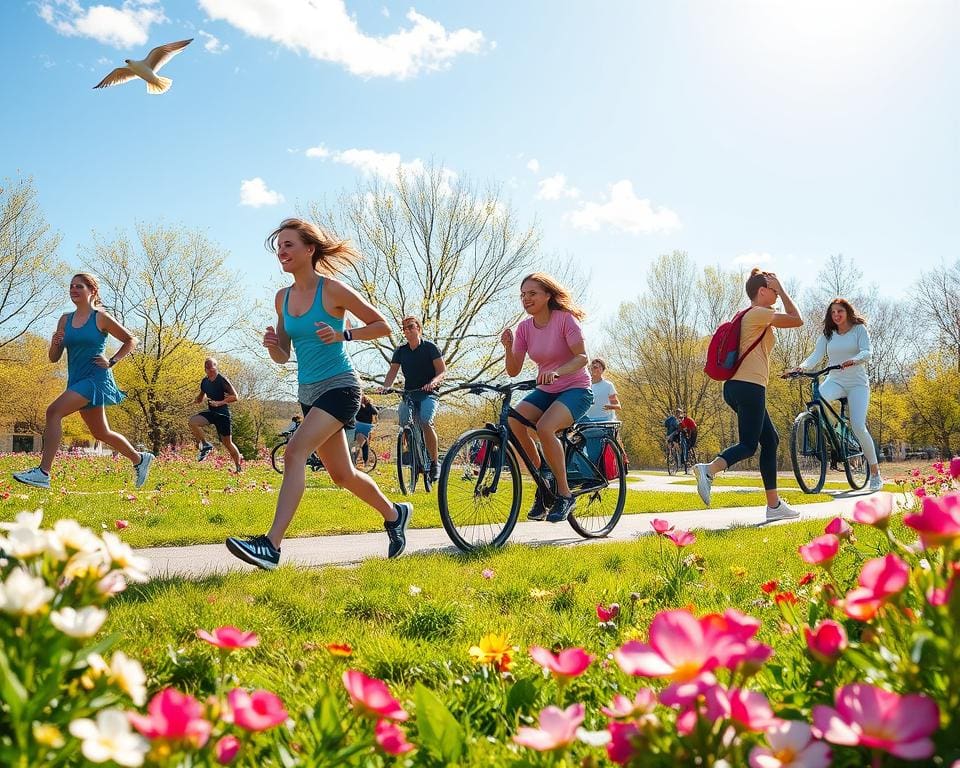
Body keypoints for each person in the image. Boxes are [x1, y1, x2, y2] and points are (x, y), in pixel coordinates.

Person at [225, 218, 412, 570]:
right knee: (342, 475)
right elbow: (283, 355)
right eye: (279, 246)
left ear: (310, 249)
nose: (282, 251)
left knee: (295, 452)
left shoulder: (332, 291)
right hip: (308, 392)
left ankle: (271, 546)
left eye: (289, 245)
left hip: (341, 387)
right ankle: (394, 513)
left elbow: (382, 325)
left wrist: (344, 336)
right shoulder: (282, 298)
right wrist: (271, 346)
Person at [13, 273, 154, 490]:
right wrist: (54, 343)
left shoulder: (100, 318)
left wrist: (112, 360)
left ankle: (43, 473)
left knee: (53, 412)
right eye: (71, 286)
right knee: (100, 433)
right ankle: (139, 459)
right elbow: (54, 357)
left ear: (92, 291)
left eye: (79, 286)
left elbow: (130, 339)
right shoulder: (64, 320)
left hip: (96, 378)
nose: (73, 290)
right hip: (77, 380)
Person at [693, 269, 804, 521]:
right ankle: (709, 470)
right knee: (748, 445)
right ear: (761, 292)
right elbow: (797, 319)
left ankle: (774, 506)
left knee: (771, 440)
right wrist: (784, 289)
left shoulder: (747, 315)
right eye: (773, 289)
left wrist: (778, 286)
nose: (776, 293)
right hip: (749, 386)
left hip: (737, 387)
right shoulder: (758, 313)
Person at [501, 272, 593, 523]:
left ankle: (564, 495)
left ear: (548, 296)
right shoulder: (524, 328)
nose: (526, 299)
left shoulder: (565, 319)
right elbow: (513, 370)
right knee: (514, 420)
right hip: (547, 390)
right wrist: (508, 347)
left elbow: (582, 357)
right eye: (523, 295)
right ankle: (543, 481)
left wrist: (557, 372)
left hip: (576, 389)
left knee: (545, 428)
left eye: (532, 293)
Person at [792, 298, 883, 491]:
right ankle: (836, 434)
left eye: (840, 311)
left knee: (858, 426)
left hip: (857, 383)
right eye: (833, 313)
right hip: (835, 380)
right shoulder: (828, 334)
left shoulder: (859, 329)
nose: (836, 316)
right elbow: (815, 356)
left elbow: (867, 352)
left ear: (847, 312)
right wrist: (801, 367)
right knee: (816, 402)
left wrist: (854, 360)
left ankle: (875, 472)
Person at [379, 316, 446, 482]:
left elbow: (442, 371)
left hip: (429, 393)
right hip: (409, 393)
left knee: (425, 421)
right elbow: (392, 372)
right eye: (404, 328)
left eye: (411, 327)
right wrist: (386, 387)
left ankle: (434, 462)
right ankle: (415, 458)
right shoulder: (401, 351)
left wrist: (433, 383)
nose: (407, 330)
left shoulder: (430, 347)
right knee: (403, 421)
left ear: (419, 329)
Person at [189, 357, 243, 472]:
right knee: (193, 422)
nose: (210, 370)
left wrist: (220, 403)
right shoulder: (204, 382)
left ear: (216, 367)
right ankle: (205, 445)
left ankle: (238, 468)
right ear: (205, 369)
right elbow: (201, 396)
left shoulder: (222, 380)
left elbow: (235, 397)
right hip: (212, 412)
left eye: (212, 368)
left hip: (223, 415)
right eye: (208, 368)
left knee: (227, 443)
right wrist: (196, 400)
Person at [354, 394, 379, 466]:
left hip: (360, 427)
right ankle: (364, 462)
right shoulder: (366, 406)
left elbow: (375, 412)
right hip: (365, 428)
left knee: (359, 445)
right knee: (363, 445)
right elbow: (376, 412)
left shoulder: (361, 405)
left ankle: (357, 461)